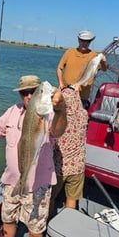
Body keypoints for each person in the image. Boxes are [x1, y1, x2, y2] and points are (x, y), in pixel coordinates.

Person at [0, 75, 67, 237]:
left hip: (38, 185)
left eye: (33, 91)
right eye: (25, 92)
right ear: (20, 94)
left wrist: (61, 108)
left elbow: (58, 130)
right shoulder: (12, 111)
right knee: (8, 219)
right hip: (12, 181)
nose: (29, 96)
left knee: (35, 229)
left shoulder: (48, 113)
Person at [50, 87, 88, 216]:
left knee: (50, 198)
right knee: (71, 199)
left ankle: (47, 222)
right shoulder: (84, 115)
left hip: (59, 167)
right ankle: (67, 223)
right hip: (78, 167)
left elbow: (54, 143)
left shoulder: (60, 121)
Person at [56, 30, 107, 109]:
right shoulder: (69, 52)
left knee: (78, 119)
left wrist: (103, 62)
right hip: (65, 91)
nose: (85, 43)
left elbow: (104, 69)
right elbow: (59, 68)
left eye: (88, 41)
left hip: (82, 96)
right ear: (78, 40)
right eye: (83, 41)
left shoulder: (94, 55)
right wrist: (61, 83)